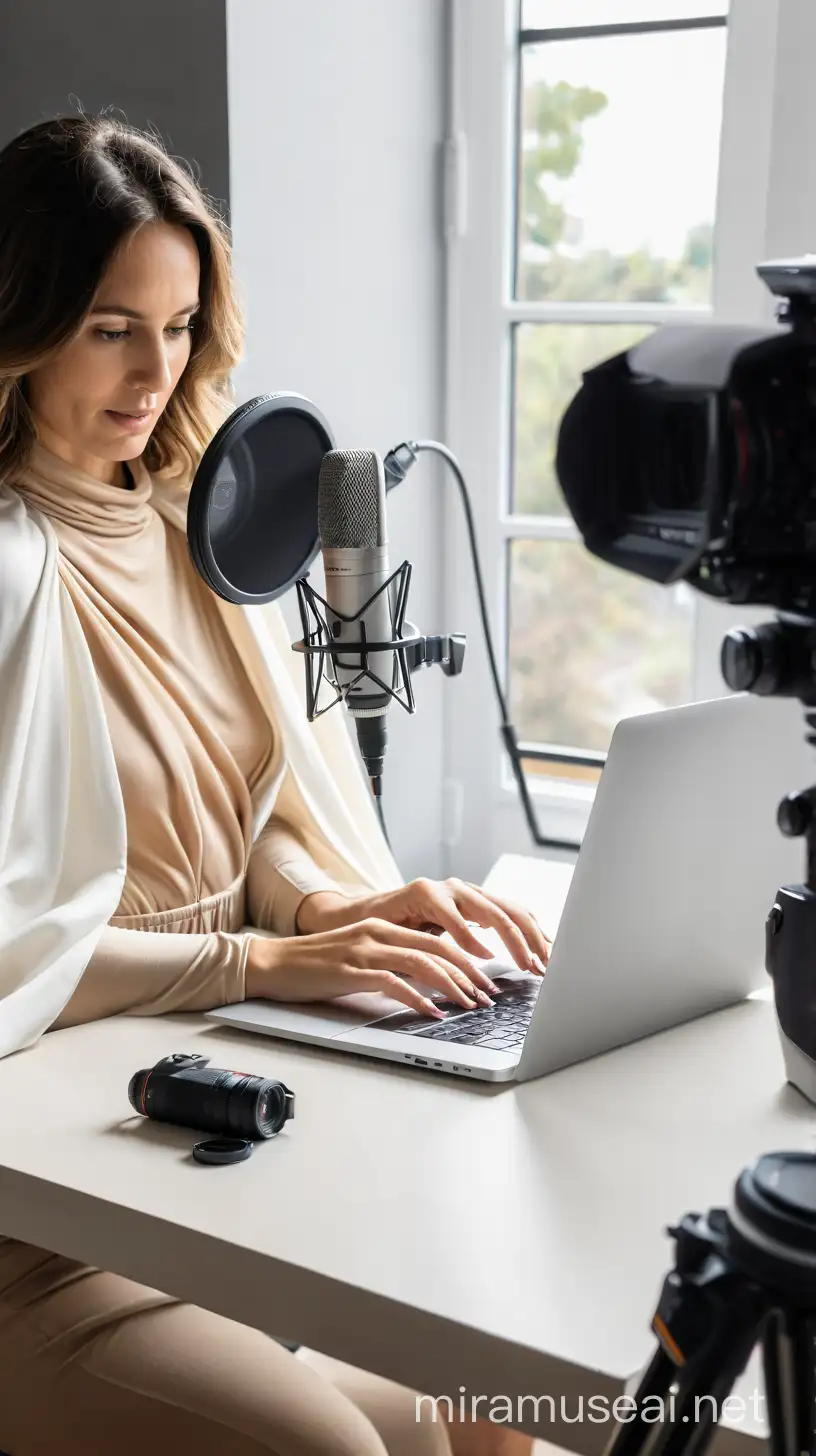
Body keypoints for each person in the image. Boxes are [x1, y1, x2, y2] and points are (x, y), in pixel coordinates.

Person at [0, 113, 549, 1456]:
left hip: (210, 1146)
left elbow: (251, 813)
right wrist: (249, 965)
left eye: (180, 326)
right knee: (359, 1450)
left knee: (490, 1415)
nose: (154, 371)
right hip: (44, 1217)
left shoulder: (203, 528)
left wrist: (330, 913)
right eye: (110, 326)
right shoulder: (12, 569)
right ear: (22, 321)